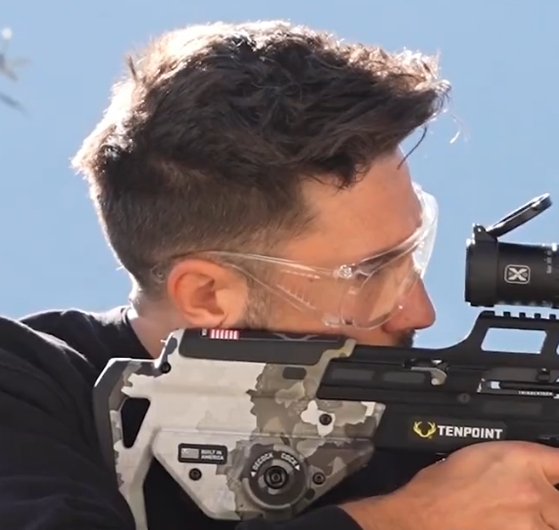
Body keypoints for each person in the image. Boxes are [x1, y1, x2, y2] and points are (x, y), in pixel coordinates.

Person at [2, 19, 559, 530]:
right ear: (208, 294)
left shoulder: (432, 448)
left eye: (415, 254)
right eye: (370, 274)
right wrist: (413, 518)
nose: (421, 312)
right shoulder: (29, 392)